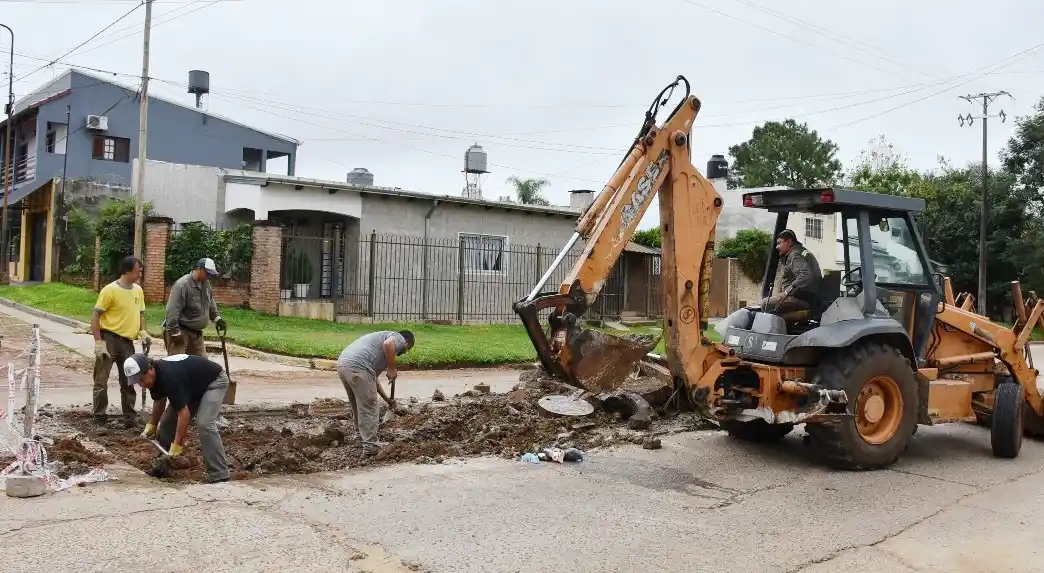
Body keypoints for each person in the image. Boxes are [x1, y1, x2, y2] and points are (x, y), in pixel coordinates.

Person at [125, 352, 231, 483]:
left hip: (214, 382)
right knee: (165, 424)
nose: (141, 384)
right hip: (192, 387)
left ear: (150, 369)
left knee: (204, 423)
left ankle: (220, 474)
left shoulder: (169, 378)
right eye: (137, 381)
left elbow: (184, 415)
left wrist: (177, 446)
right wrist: (152, 426)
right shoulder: (153, 379)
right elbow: (159, 401)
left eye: (141, 379)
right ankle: (162, 466)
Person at [336, 330, 415, 457]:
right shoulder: (398, 338)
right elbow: (389, 344)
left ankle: (360, 439)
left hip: (344, 365)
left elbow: (371, 381)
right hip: (358, 366)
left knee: (358, 405)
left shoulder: (378, 351)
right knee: (369, 407)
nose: (405, 352)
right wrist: (392, 368)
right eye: (407, 349)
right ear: (406, 342)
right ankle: (371, 447)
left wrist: (387, 399)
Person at [91, 256, 149, 426]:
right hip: (109, 338)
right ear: (126, 270)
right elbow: (95, 317)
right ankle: (99, 415)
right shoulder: (109, 291)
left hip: (127, 342)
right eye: (138, 270)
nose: (140, 273)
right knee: (101, 379)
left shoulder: (138, 290)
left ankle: (130, 416)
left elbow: (141, 314)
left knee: (130, 379)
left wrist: (143, 331)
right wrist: (99, 342)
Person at [163, 257, 226, 357]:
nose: (209, 276)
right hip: (180, 331)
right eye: (207, 273)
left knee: (202, 365)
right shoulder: (182, 285)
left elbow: (210, 302)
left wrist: (217, 319)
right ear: (199, 269)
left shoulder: (206, 284)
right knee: (177, 365)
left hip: (196, 334)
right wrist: (175, 333)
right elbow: (172, 310)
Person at [759, 229, 823, 316]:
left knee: (766, 304)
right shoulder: (802, 251)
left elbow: (805, 275)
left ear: (789, 241)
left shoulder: (794, 255)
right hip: (810, 297)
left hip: (803, 298)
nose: (777, 247)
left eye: (779, 243)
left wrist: (786, 292)